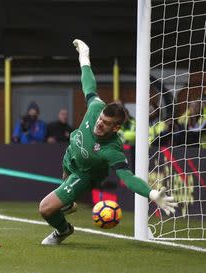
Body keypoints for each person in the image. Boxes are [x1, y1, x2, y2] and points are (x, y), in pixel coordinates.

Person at [38, 40, 178, 245]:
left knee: (46, 208)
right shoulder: (96, 108)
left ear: (116, 128)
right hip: (70, 158)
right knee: (64, 194)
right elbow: (89, 85)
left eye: (105, 124)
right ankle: (67, 205)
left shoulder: (112, 149)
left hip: (84, 174)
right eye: (100, 120)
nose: (99, 124)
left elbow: (128, 178)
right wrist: (84, 57)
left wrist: (152, 193)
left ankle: (63, 230)